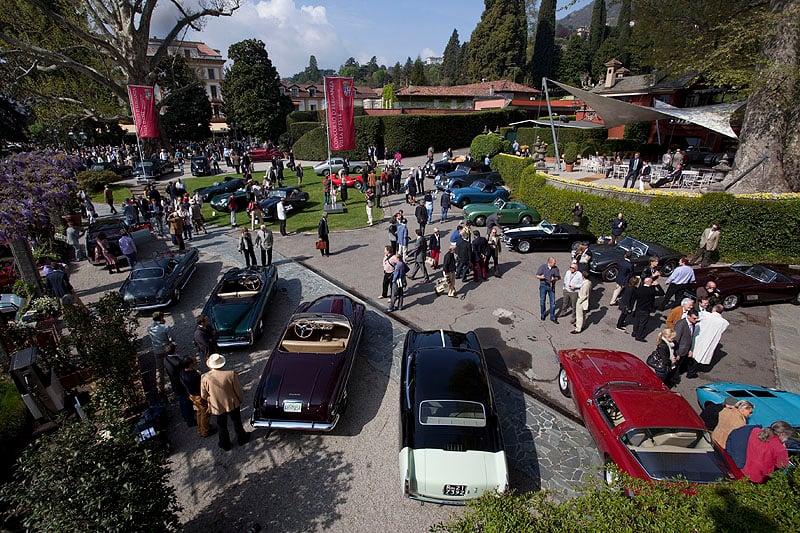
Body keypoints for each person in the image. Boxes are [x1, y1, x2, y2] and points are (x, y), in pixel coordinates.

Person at [201, 353, 250, 451]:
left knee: (221, 426)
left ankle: (225, 443)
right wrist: (240, 399)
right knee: (237, 422)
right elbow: (238, 390)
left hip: (216, 405)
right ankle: (242, 438)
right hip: (232, 402)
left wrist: (210, 400)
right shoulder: (230, 374)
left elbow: (203, 394)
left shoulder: (205, 377)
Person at [688, 304, 729, 377]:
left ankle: (688, 369)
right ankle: (691, 372)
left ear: (714, 309)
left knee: (693, 352)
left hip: (699, 337)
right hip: (709, 341)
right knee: (700, 355)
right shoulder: (724, 322)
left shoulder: (706, 315)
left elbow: (696, 318)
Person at [181, 355, 214, 437]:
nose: (195, 361)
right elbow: (201, 386)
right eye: (193, 361)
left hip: (192, 395)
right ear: (190, 365)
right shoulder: (193, 377)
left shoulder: (182, 373)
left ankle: (200, 427)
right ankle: (205, 431)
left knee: (199, 412)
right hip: (199, 396)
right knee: (205, 413)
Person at [164, 343, 195, 427]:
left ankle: (185, 416)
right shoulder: (178, 362)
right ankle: (190, 420)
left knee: (182, 401)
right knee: (186, 402)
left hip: (175, 384)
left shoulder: (166, 359)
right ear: (174, 350)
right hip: (181, 385)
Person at [146, 311, 173, 393]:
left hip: (157, 351)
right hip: (166, 350)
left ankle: (160, 388)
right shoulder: (165, 328)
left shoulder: (149, 328)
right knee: (171, 367)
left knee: (159, 370)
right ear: (161, 318)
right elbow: (171, 339)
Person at [632, 276, 663, 342]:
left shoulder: (639, 289)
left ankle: (634, 332)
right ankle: (639, 336)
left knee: (637, 321)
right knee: (642, 323)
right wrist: (657, 285)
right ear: (649, 283)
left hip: (638, 308)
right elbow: (662, 293)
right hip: (645, 310)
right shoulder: (651, 291)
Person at [673, 309, 699, 381]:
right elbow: (676, 340)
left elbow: (690, 337)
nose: (696, 320)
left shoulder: (692, 324)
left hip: (685, 349)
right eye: (694, 318)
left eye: (697, 318)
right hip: (680, 350)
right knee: (675, 366)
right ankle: (673, 379)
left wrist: (690, 349)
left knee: (681, 364)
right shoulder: (681, 324)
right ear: (688, 316)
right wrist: (676, 353)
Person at [536, 257, 561, 323]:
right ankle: (543, 314)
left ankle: (552, 317)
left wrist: (555, 279)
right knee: (542, 301)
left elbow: (558, 277)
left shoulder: (555, 268)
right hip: (543, 286)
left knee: (553, 303)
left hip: (551, 287)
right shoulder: (542, 267)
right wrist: (541, 277)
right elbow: (537, 275)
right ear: (550, 262)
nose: (555, 264)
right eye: (554, 262)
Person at [571, 270, 593, 334]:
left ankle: (578, 328)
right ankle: (580, 324)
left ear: (583, 276)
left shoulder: (585, 284)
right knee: (583, 314)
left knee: (579, 315)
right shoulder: (589, 282)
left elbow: (584, 295)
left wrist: (579, 301)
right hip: (585, 302)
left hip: (582, 301)